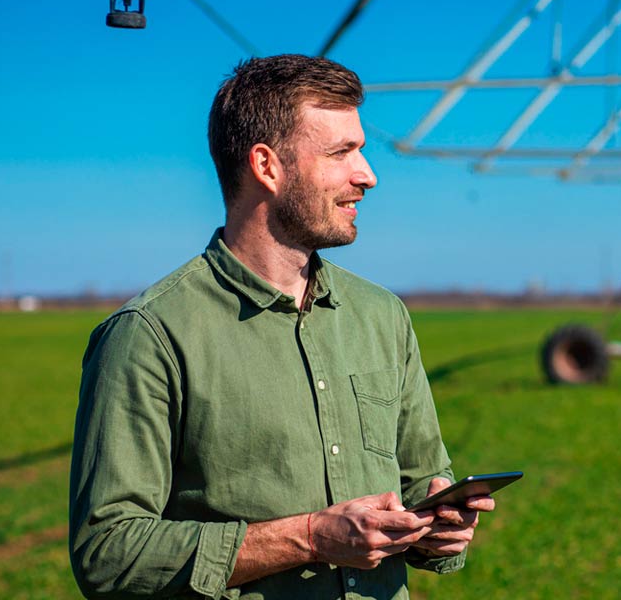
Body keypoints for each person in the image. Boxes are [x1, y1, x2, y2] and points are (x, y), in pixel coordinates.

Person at [69, 54, 494, 599]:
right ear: (267, 167)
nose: (367, 175)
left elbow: (419, 486)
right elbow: (109, 555)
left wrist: (438, 530)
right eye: (341, 152)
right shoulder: (149, 336)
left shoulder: (383, 315)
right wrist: (313, 537)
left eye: (360, 150)